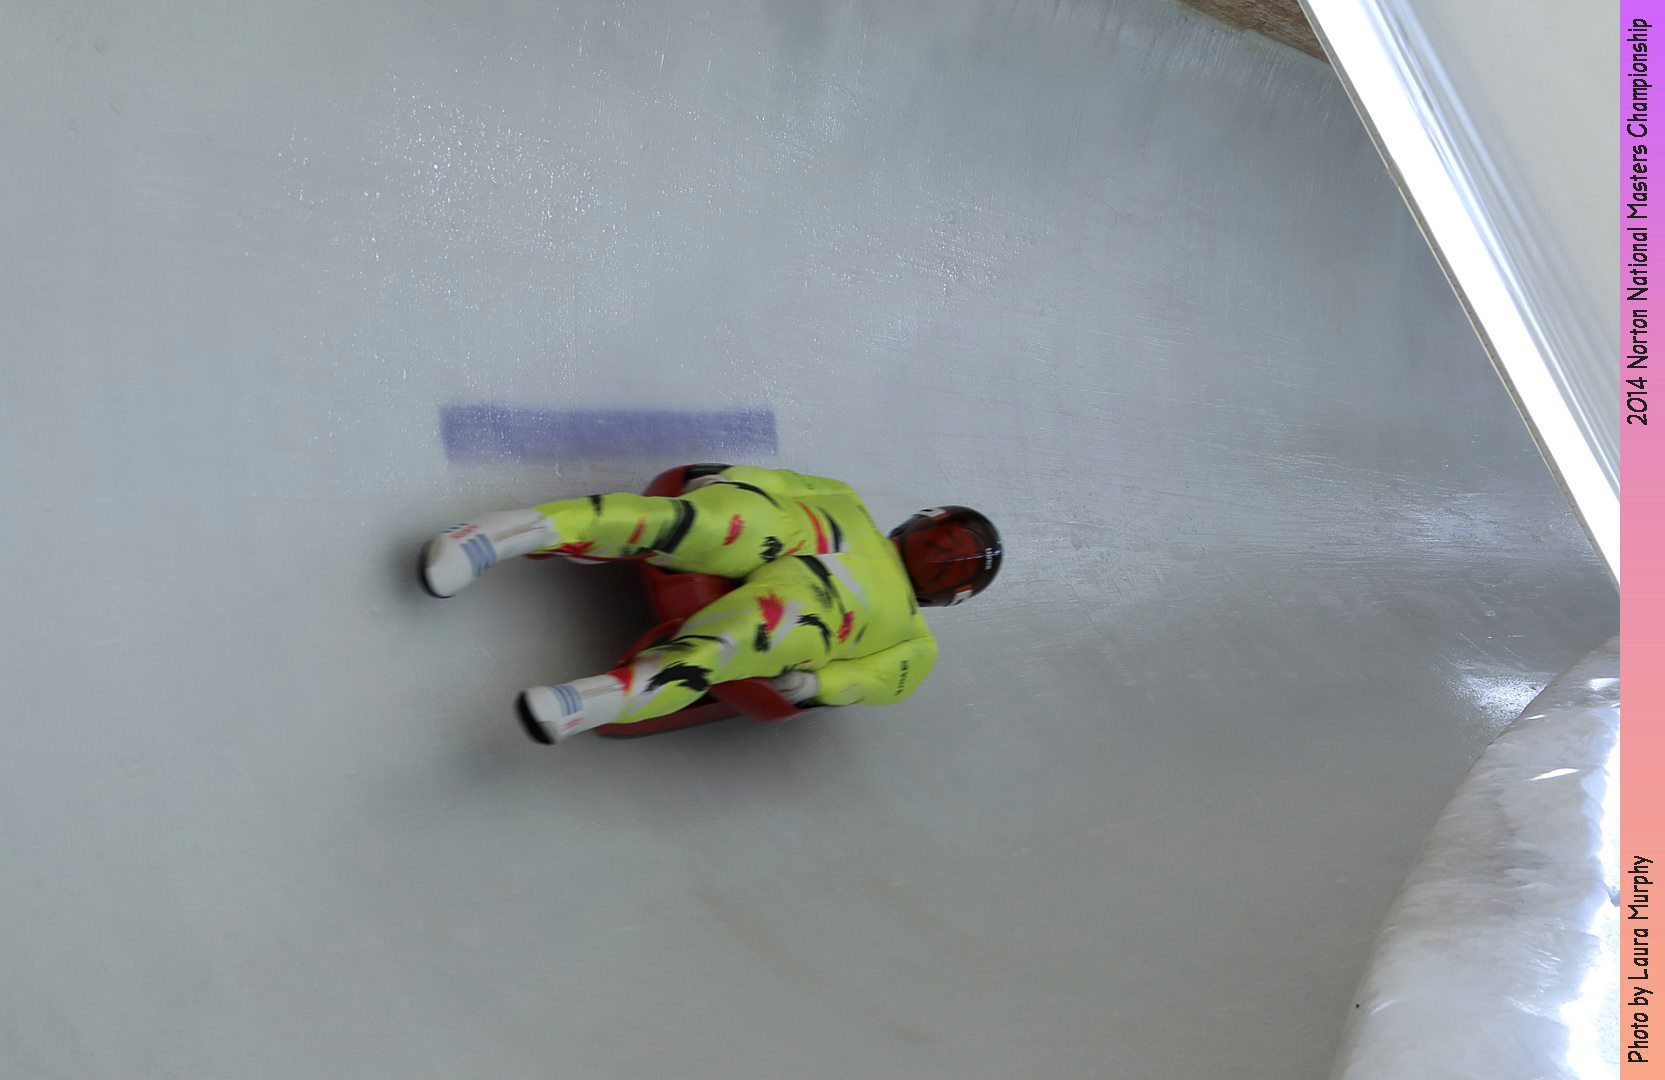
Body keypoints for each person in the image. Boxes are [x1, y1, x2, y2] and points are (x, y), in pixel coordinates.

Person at [420, 465, 1002, 743]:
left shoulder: (915, 642)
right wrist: (726, 477)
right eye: (937, 547)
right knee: (696, 522)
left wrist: (817, 688)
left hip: (822, 608)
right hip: (798, 529)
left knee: (738, 640)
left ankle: (592, 700)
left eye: (945, 563)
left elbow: (882, 678)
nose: (935, 560)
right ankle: (507, 533)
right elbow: (783, 483)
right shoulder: (847, 497)